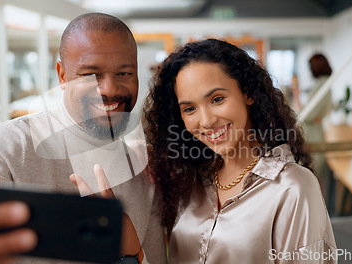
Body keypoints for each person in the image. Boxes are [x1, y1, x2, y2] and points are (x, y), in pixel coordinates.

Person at [0, 13, 166, 264]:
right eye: (90, 74)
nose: (108, 89)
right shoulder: (8, 146)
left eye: (124, 73)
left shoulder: (144, 171)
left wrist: (133, 255)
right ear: (62, 76)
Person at [143, 39, 336, 263]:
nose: (206, 121)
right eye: (189, 109)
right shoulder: (189, 180)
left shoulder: (292, 187)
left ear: (247, 93)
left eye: (217, 99)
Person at [293, 53, 333, 190]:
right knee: (315, 178)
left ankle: (316, 210)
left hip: (312, 133)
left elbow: (306, 115)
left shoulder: (321, 85)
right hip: (315, 131)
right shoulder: (325, 84)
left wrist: (297, 96)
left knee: (313, 178)